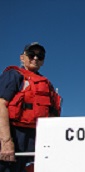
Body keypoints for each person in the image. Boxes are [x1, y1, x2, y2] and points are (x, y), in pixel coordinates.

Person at [0, 42, 62, 172]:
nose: (35, 58)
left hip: (38, 138)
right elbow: (1, 105)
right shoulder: (14, 75)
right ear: (22, 58)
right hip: (14, 134)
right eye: (31, 54)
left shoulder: (47, 85)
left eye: (40, 56)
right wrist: (6, 142)